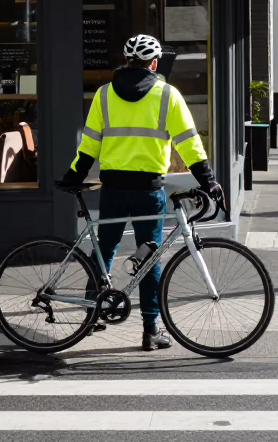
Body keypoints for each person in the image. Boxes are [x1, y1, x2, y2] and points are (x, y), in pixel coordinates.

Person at [62, 34, 223, 351]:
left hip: (113, 189)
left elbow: (90, 143)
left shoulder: (104, 94)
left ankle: (93, 313)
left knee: (104, 249)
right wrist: (208, 180)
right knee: (149, 258)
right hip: (148, 190)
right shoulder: (167, 95)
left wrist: (74, 176)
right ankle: (151, 331)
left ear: (126, 60)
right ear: (154, 62)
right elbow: (188, 143)